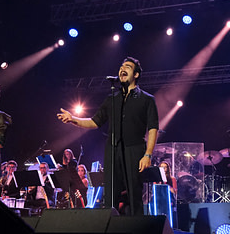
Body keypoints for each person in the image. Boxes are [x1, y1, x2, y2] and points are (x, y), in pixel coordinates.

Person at [57, 57, 159, 215]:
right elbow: (94, 122)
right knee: (110, 195)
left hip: (135, 150)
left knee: (134, 195)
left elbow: (153, 128)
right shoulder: (112, 98)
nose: (122, 69)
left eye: (128, 67)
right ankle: (110, 231)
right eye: (121, 66)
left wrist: (148, 155)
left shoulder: (147, 99)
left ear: (136, 74)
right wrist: (73, 120)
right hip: (112, 150)